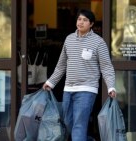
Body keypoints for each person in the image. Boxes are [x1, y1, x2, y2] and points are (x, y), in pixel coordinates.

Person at [42, 9, 116, 141]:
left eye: (85, 20)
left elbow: (106, 67)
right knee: (68, 122)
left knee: (79, 125)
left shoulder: (98, 42)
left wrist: (111, 86)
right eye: (79, 19)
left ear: (91, 24)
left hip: (87, 90)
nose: (81, 22)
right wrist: (51, 82)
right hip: (68, 89)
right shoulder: (69, 39)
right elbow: (61, 65)